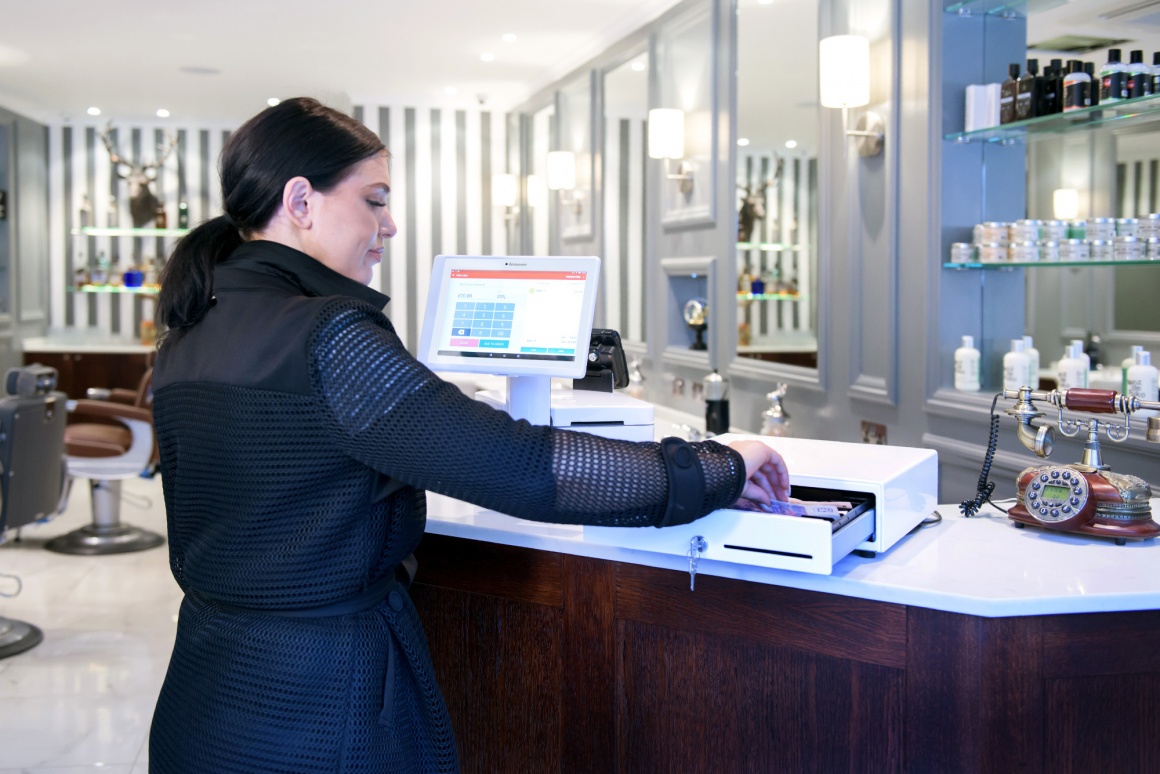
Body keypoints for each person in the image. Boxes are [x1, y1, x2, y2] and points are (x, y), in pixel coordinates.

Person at [147, 97, 789, 773]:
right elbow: (525, 469)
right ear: (301, 200)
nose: (389, 224)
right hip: (322, 705)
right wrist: (718, 467)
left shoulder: (185, 335)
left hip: (203, 696)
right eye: (374, 200)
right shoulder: (330, 337)